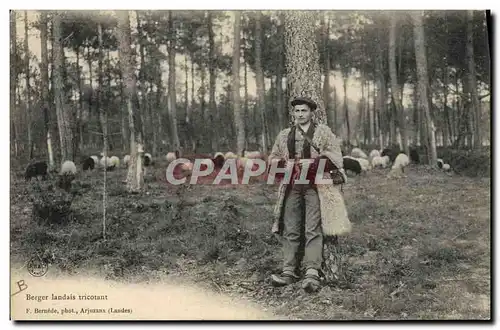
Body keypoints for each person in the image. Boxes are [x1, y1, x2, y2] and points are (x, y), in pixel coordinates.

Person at [267, 96, 351, 293]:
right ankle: (289, 271)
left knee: (313, 228)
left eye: (304, 111)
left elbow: (336, 159)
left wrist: (313, 164)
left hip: (316, 186)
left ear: (312, 113)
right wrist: (283, 164)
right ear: (293, 114)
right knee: (291, 228)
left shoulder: (323, 133)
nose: (300, 115)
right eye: (297, 111)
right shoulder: (285, 135)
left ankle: (312, 272)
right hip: (292, 186)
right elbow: (273, 159)